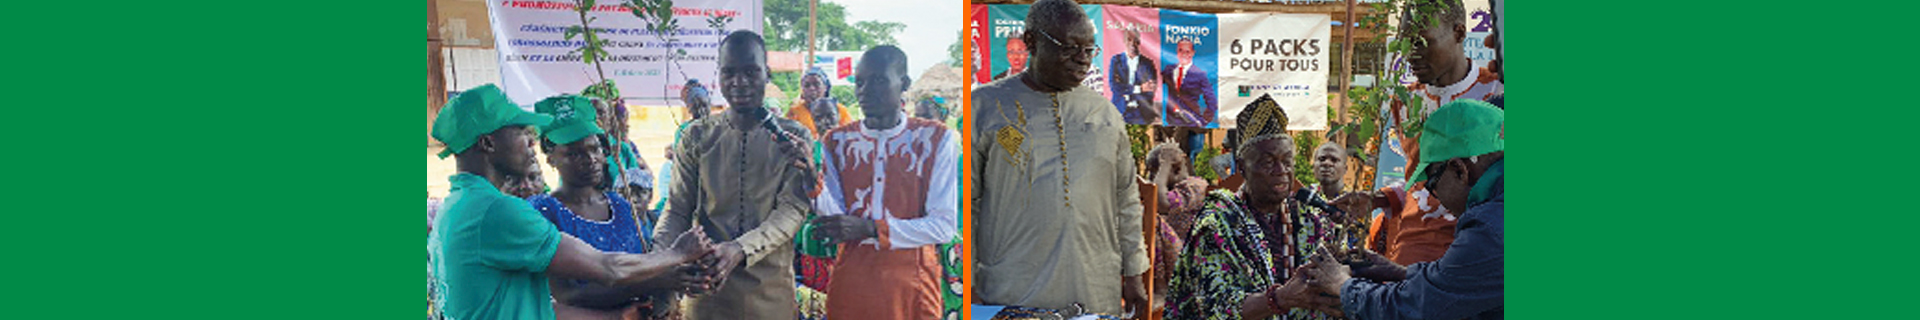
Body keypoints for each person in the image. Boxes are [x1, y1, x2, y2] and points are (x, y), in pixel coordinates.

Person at [428, 84, 717, 320]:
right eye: (520, 132)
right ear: (488, 144)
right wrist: (677, 255)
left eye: (594, 148)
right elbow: (608, 269)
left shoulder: (456, 207)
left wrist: (618, 317)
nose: (531, 144)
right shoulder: (497, 211)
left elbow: (544, 308)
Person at [971, 0, 1149, 318]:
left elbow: (1126, 199)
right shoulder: (984, 107)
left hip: (1095, 291)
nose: (1082, 60)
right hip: (1010, 293)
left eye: (1088, 50)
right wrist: (965, 281)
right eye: (1069, 48)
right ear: (1031, 42)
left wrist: (1134, 271)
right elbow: (965, 203)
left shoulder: (1105, 114)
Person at [656, 30, 817, 320]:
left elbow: (792, 211)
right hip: (707, 294)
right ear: (719, 76)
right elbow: (678, 209)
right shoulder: (697, 136)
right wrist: (658, 264)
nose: (739, 82)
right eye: (729, 72)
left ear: (766, 74)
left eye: (750, 72)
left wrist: (739, 249)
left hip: (771, 298)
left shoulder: (792, 137)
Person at [1295, 100, 1505, 320]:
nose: (1437, 200)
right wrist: (1399, 272)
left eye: (1431, 186)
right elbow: (1468, 280)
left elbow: (1416, 307)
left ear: (1459, 170)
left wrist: (1342, 285)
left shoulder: (1490, 227)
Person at [807, 45, 960, 319]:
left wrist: (870, 228)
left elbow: (943, 226)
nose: (865, 90)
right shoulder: (837, 141)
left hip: (911, 285)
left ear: (904, 84)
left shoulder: (934, 139)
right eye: (860, 82)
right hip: (851, 281)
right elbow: (837, 218)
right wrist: (810, 181)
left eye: (878, 80)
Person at [528, 95, 710, 320]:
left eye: (595, 148)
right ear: (550, 159)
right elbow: (568, 295)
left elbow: (646, 262)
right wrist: (655, 280)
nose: (591, 159)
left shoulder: (620, 206)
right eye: (574, 153)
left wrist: (672, 282)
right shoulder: (543, 213)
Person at [1163, 94, 1344, 320]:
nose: (1281, 170)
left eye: (1287, 160)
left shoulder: (1311, 219)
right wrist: (1281, 298)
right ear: (1242, 167)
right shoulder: (1217, 224)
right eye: (1268, 162)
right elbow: (1215, 307)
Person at [1372, 0, 1504, 266]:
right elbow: (1418, 181)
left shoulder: (1498, 94)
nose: (1411, 54)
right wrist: (1380, 199)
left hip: (1478, 239)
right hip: (1415, 244)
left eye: (1423, 42)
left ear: (1459, 33)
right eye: (1406, 43)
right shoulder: (1404, 103)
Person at [1143, 142, 1207, 304]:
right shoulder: (1171, 188)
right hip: (1170, 258)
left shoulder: (1195, 186)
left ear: (1176, 169)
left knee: (1154, 220)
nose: (1153, 180)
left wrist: (1165, 164)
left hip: (1189, 261)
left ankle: (1162, 289)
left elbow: (1158, 203)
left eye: (1156, 174)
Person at [1108, 28, 1159, 124]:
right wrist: (1140, 89)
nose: (1132, 43)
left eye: (1135, 40)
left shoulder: (1148, 63)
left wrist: (1126, 93)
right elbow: (1114, 87)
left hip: (1142, 113)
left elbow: (1150, 91)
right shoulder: (1116, 61)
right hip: (1119, 111)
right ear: (1124, 41)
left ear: (1139, 42)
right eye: (1129, 39)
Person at [786, 67, 856, 136]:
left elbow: (850, 134)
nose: (812, 88)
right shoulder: (795, 112)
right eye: (807, 85)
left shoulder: (840, 110)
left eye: (816, 84)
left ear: (825, 87)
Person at [1161, 38, 1214, 127]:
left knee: (1194, 141)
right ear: (1176, 52)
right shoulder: (1169, 69)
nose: (1183, 54)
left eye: (1187, 51)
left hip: (1192, 119)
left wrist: (1204, 120)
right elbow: (1156, 82)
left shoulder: (1199, 74)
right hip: (1171, 119)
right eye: (1180, 50)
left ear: (1193, 53)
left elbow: (1211, 98)